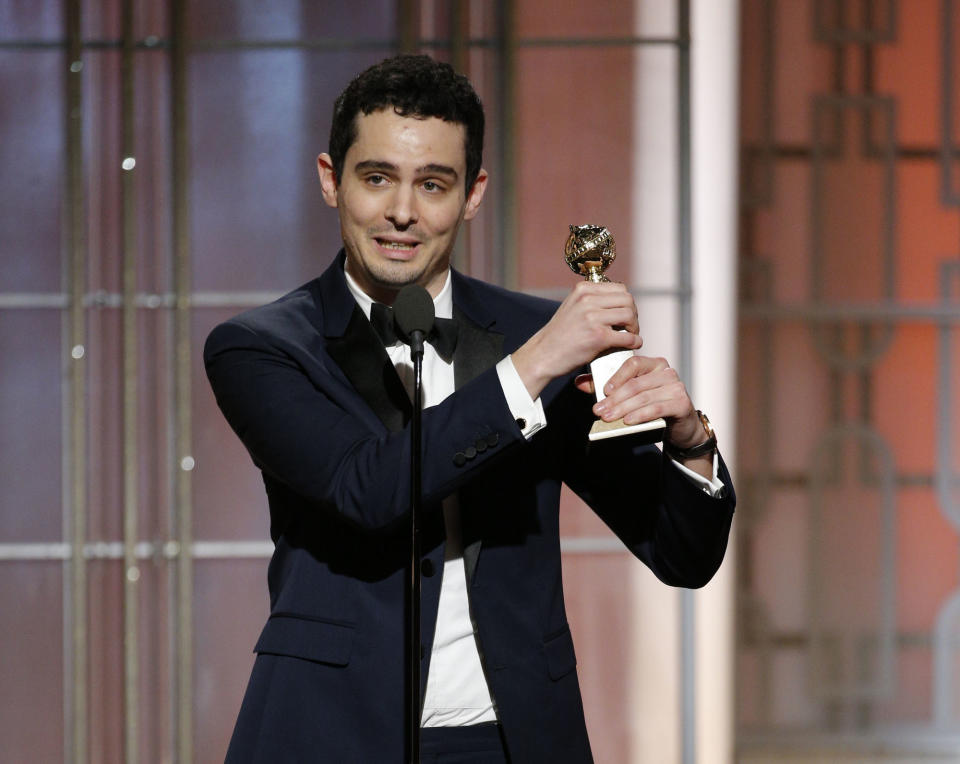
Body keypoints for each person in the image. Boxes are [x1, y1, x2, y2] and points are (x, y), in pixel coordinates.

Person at [204, 53, 734, 764]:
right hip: (329, 731)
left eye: (433, 184)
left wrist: (692, 442)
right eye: (377, 178)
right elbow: (369, 490)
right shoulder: (261, 347)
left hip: (510, 737)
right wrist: (537, 364)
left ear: (472, 194)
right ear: (331, 180)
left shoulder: (531, 335)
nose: (403, 212)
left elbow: (681, 555)